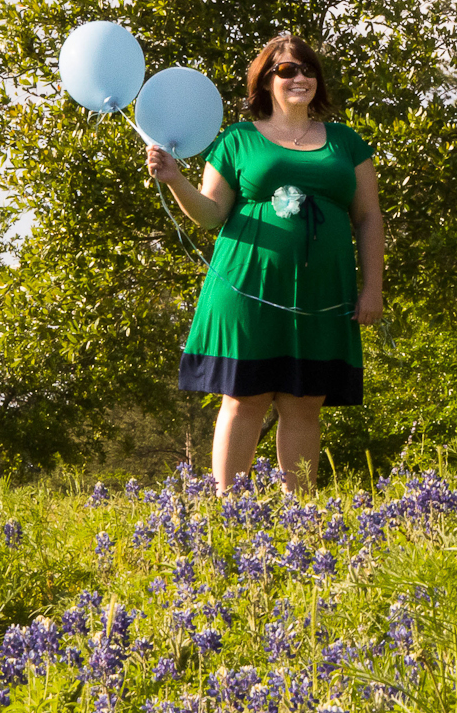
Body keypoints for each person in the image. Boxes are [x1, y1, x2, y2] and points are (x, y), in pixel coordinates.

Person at [146, 33, 384, 493]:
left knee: (305, 402)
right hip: (245, 286)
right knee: (244, 397)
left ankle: (302, 517)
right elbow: (212, 213)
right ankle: (228, 510)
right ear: (266, 81)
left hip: (324, 291)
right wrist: (175, 179)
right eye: (287, 70)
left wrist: (372, 287)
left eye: (307, 68)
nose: (300, 77)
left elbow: (369, 217)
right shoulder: (237, 139)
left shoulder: (346, 142)